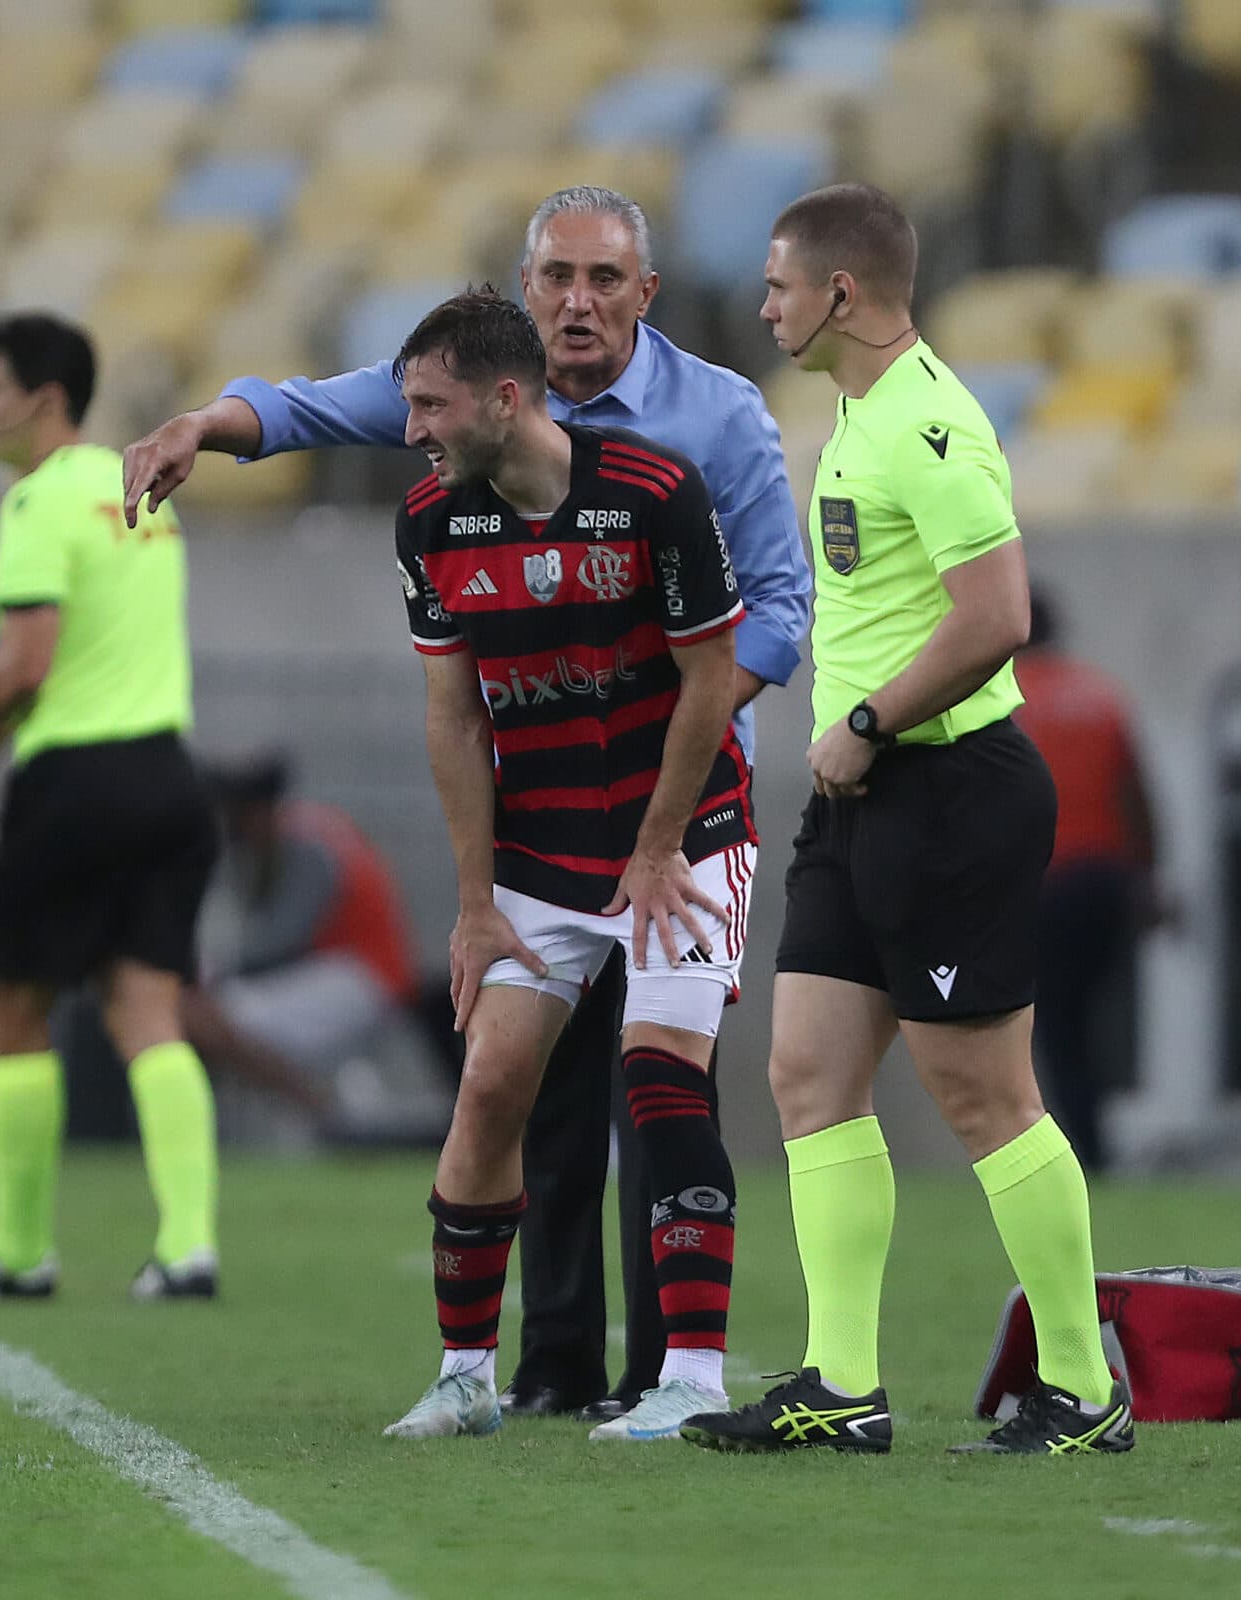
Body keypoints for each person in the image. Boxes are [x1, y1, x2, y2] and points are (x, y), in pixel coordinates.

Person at [122, 185, 809, 1419]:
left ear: (645, 294)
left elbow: (777, 611)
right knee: (522, 1092)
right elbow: (307, 407)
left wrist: (661, 739)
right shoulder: (464, 414)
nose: (579, 300)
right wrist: (199, 426)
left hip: (680, 814)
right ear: (522, 292)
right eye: (557, 276)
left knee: (663, 1088)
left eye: (605, 279)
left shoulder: (711, 422)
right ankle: (541, 1371)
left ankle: (674, 1374)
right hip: (545, 823)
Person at [679, 184, 1125, 1459]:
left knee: (983, 1095)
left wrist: (866, 722)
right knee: (808, 1074)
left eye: (778, 284)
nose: (764, 304)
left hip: (946, 789)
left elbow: (998, 614)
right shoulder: (859, 415)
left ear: (841, 293)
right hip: (862, 796)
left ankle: (1087, 1388)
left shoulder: (929, 420)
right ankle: (843, 1385)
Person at [374, 289, 754, 1444]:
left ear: (505, 396)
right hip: (539, 855)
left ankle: (691, 1374)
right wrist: (474, 903)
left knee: (659, 1073)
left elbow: (710, 679)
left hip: (680, 841)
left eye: (430, 406)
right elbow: (452, 718)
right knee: (490, 1086)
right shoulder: (432, 522)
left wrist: (652, 851)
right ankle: (464, 1375)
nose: (412, 432)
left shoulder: (651, 492)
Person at [0, 312, 223, 1304]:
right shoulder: (146, 495)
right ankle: (189, 1246)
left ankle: (20, 1250)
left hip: (74, 784)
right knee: (148, 1011)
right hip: (167, 776)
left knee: (6, 1006)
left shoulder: (36, 500)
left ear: (45, 400)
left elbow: (27, 666)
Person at [1009, 588, 1169, 1171]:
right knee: (1088, 1017)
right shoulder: (1101, 694)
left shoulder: (1004, 701)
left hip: (1045, 882)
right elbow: (1139, 798)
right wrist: (1150, 881)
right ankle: (1092, 1139)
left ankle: (1085, 1149)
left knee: (1056, 1024)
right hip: (1106, 880)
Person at [180, 756, 418, 1120]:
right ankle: (325, 1105)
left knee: (208, 1017)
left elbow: (283, 940)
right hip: (343, 974)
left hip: (363, 977)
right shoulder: (299, 832)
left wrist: (215, 972)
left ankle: (324, 1109)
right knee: (212, 1015)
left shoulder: (306, 842)